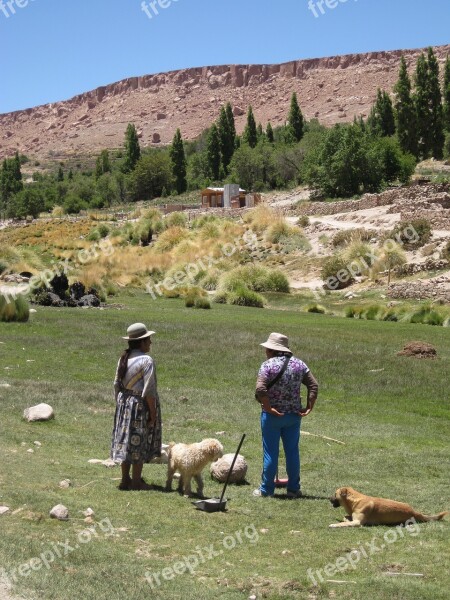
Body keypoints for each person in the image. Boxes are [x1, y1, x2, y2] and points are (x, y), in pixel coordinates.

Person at [254, 332, 318, 498]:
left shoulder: (267, 365)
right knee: (292, 452)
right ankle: (293, 489)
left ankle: (266, 490)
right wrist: (309, 407)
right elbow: (313, 385)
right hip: (293, 416)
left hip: (272, 416)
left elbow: (260, 389)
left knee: (270, 453)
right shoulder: (300, 365)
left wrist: (268, 408)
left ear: (271, 350)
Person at [111, 323, 162, 491]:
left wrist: (120, 405)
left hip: (124, 403)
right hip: (139, 406)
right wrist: (152, 414)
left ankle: (125, 479)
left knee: (126, 440)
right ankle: (136, 481)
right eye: (148, 340)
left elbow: (116, 385)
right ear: (141, 342)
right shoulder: (146, 361)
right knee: (138, 440)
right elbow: (149, 390)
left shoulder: (124, 358)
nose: (150, 343)